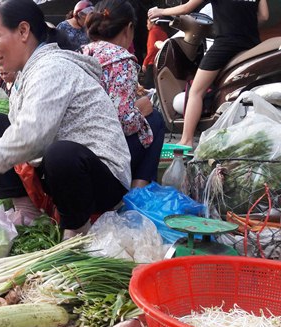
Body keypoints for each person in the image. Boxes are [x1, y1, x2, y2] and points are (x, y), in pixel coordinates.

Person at [0, 0, 131, 239]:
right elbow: (16, 133)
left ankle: (78, 230)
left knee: (61, 154)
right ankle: (25, 211)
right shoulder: (26, 75)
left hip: (101, 181)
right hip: (60, 172)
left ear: (23, 31)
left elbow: (32, 136)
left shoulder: (52, 67)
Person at [149, 0, 269, 146]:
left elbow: (187, 8)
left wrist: (159, 11)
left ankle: (186, 140)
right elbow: (264, 17)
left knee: (196, 92)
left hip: (226, 44)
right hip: (251, 44)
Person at [82, 0, 165, 188]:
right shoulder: (121, 59)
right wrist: (140, 110)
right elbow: (125, 122)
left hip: (78, 149)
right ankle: (137, 194)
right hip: (103, 156)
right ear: (128, 28)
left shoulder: (82, 52)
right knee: (155, 120)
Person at [141, 19, 168, 89]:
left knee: (148, 86)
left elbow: (151, 49)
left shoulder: (152, 32)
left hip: (152, 62)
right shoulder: (164, 33)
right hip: (161, 62)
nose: (146, 25)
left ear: (152, 23)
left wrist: (145, 63)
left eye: (147, 23)